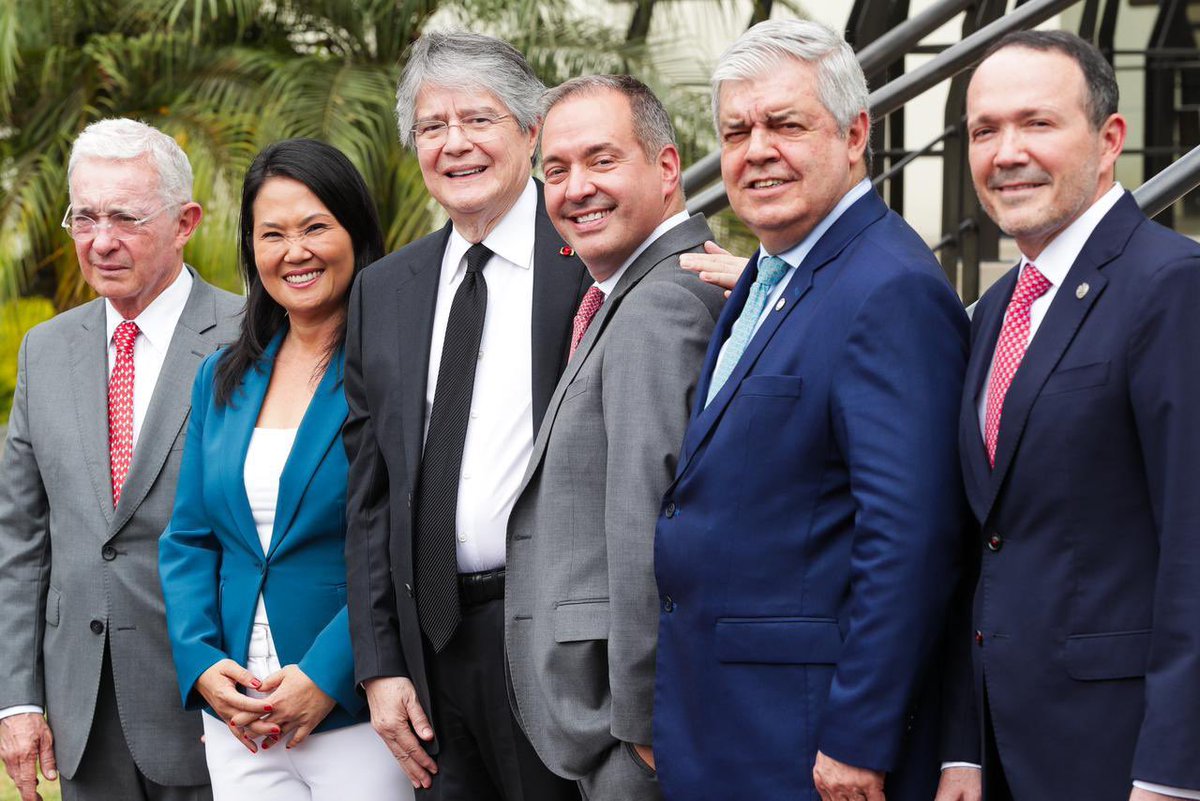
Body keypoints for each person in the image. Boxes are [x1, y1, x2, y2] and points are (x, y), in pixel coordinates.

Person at [652, 19, 970, 801]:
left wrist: (859, 733)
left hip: (810, 742)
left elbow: (912, 539)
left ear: (855, 132)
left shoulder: (889, 290)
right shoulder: (771, 273)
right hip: (726, 718)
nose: (756, 149)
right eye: (736, 130)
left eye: (785, 124)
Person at [936, 30, 1200, 801]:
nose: (1005, 152)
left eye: (1037, 123)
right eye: (984, 130)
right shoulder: (994, 312)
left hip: (1124, 758)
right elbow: (986, 545)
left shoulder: (1172, 287)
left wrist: (1174, 773)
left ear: (1109, 138)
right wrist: (964, 747)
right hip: (1006, 754)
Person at [342, 32, 587, 800]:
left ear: (529, 129)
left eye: (478, 120)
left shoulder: (591, 259)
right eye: (432, 126)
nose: (455, 145)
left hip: (557, 644)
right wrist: (382, 664)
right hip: (431, 651)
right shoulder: (385, 289)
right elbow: (370, 496)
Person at [158, 138, 412, 800]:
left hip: (355, 714)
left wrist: (329, 673)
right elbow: (188, 537)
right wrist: (202, 661)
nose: (293, 251)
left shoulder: (396, 365)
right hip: (239, 719)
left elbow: (398, 538)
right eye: (271, 234)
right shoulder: (223, 376)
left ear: (355, 231)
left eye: (315, 227)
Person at [0, 118, 242, 801]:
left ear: (186, 221)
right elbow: (19, 537)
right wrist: (17, 700)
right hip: (81, 712)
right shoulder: (45, 351)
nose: (100, 241)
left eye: (126, 218)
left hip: (214, 704)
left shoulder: (251, 337)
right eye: (84, 216)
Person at [504, 75, 725, 801]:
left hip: (630, 733)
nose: (575, 189)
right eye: (556, 170)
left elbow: (648, 517)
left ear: (666, 169)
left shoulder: (663, 302)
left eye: (601, 161)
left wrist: (642, 722)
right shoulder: (623, 293)